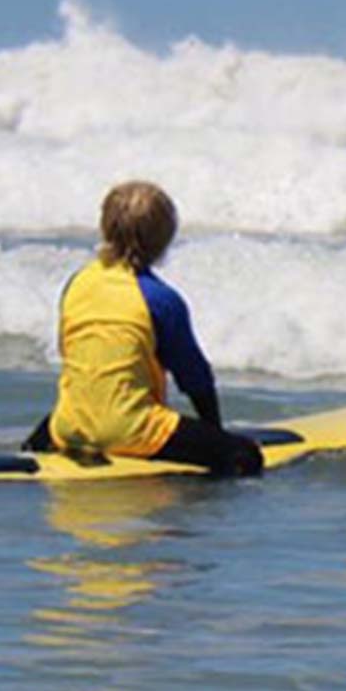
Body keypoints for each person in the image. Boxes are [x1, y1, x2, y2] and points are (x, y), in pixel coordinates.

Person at [23, 181, 263, 477]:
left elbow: (72, 352)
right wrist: (214, 435)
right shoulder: (161, 300)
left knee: (36, 441)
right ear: (164, 239)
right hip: (130, 430)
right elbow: (194, 377)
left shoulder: (76, 283)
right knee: (246, 455)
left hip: (67, 425)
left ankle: (34, 453)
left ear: (105, 228)